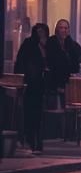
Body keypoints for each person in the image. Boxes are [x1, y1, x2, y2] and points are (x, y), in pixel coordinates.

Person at [15, 23, 49, 153]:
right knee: (30, 114)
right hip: (30, 84)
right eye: (38, 31)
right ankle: (31, 141)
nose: (41, 34)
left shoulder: (48, 45)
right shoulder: (29, 44)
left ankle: (38, 142)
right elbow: (21, 62)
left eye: (43, 32)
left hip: (41, 85)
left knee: (39, 116)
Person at [46, 18, 81, 105]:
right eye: (61, 28)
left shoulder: (72, 44)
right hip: (54, 85)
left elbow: (78, 61)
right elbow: (51, 64)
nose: (64, 30)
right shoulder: (50, 43)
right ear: (56, 30)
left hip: (70, 85)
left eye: (66, 28)